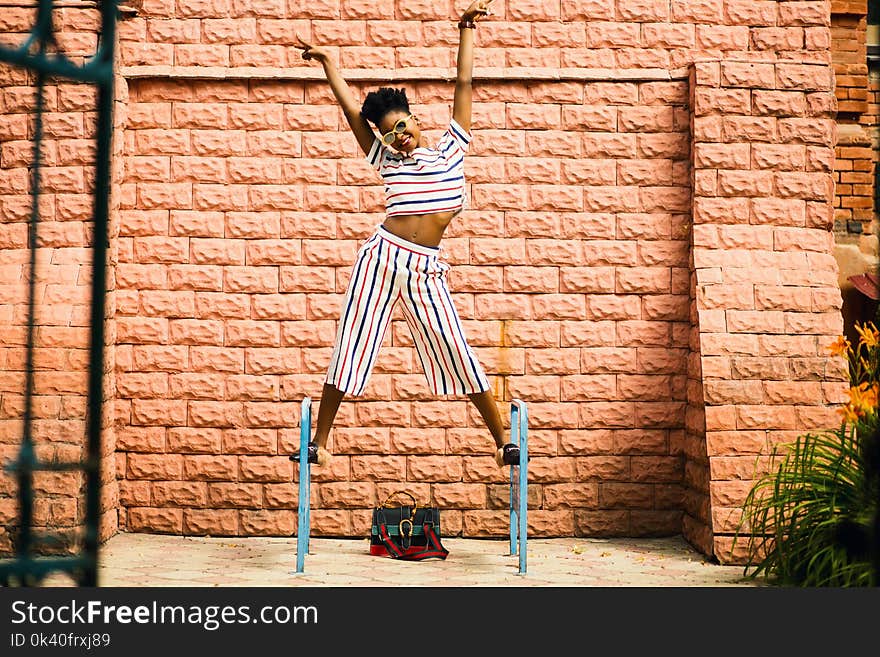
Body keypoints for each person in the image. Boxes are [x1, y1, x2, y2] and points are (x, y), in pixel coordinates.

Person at [295, 0, 521, 469]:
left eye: (401, 126)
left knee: (455, 345)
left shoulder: (452, 151)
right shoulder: (386, 161)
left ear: (415, 120)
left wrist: (465, 30)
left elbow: (463, 84)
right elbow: (349, 114)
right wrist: (330, 64)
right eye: (387, 133)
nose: (397, 137)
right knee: (352, 343)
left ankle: (502, 442)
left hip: (424, 269)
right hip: (380, 259)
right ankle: (320, 441)